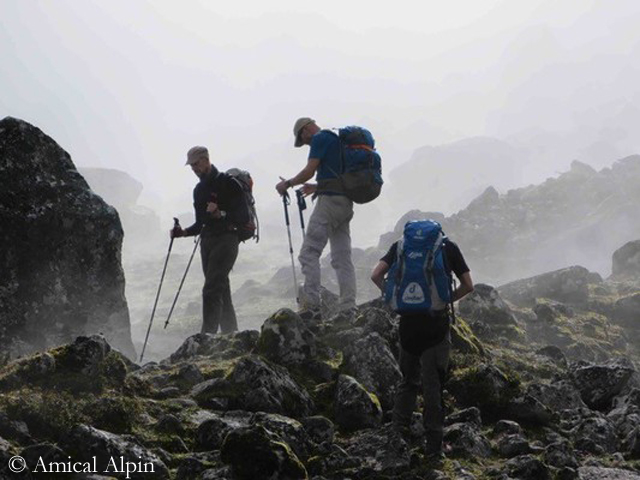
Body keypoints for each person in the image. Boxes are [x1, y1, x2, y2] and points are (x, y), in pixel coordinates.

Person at [370, 226, 474, 459]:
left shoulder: (400, 247)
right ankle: (434, 450)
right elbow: (468, 285)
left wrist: (392, 295)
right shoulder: (447, 247)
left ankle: (397, 440)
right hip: (435, 327)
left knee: (407, 383)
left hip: (408, 326)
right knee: (433, 387)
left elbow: (375, 275)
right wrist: (447, 300)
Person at [275, 117, 356, 320]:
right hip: (345, 203)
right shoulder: (337, 140)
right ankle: (348, 306)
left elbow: (309, 170)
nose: (306, 143)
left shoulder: (319, 138)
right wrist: (316, 186)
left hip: (328, 204)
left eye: (303, 140)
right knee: (341, 257)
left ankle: (311, 306)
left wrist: (288, 184)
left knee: (309, 253)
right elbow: (337, 174)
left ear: (305, 131)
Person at [171, 146, 248, 334]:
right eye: (191, 166)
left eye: (196, 164)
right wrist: (182, 232)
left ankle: (207, 338)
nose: (194, 169)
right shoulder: (198, 190)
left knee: (211, 289)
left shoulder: (229, 183)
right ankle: (232, 334)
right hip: (207, 243)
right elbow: (200, 224)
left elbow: (243, 218)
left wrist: (220, 213)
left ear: (206, 160)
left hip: (227, 240)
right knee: (221, 290)